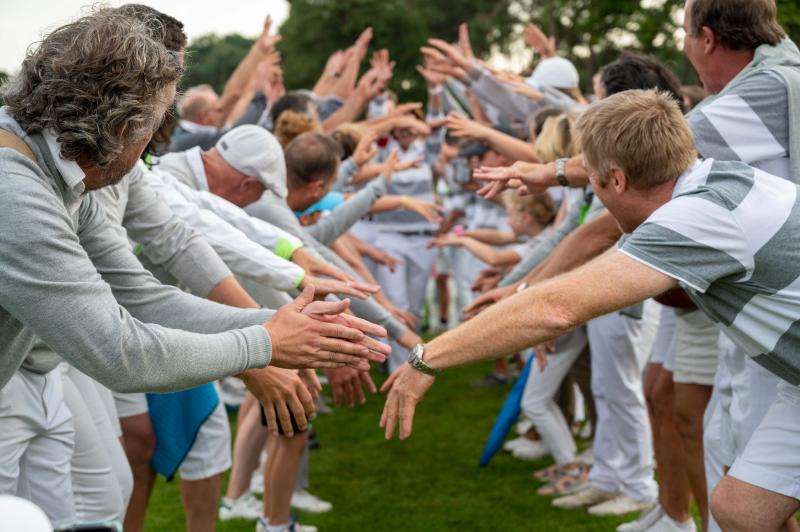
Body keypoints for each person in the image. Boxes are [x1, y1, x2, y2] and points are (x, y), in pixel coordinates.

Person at [0, 9, 389, 527]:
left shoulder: (56, 166)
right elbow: (121, 353)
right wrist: (265, 345)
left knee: (87, 508)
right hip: (24, 381)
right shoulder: (17, 192)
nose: (158, 140)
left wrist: (279, 327)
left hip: (33, 374)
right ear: (121, 128)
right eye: (159, 122)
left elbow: (142, 291)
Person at [381, 88, 800, 532]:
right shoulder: (715, 179)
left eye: (597, 181)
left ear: (616, 180)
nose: (595, 189)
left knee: (743, 509)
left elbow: (556, 309)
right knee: (741, 510)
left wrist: (428, 359)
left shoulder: (692, 221)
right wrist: (553, 175)